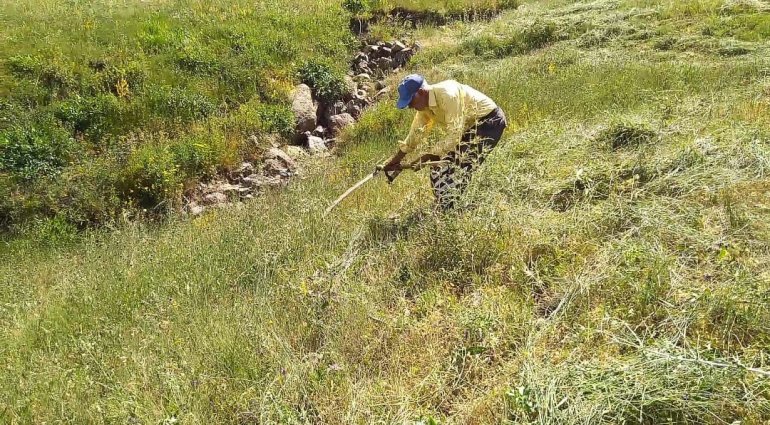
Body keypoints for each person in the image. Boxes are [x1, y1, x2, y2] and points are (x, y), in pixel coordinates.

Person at [382, 74, 507, 210]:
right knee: (438, 168)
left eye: (411, 101)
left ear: (421, 92)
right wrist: (396, 160)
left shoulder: (448, 94)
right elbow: (416, 134)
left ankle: (452, 209)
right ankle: (446, 206)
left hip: (489, 122)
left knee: (458, 166)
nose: (410, 107)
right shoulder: (424, 107)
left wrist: (429, 155)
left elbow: (455, 133)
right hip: (470, 128)